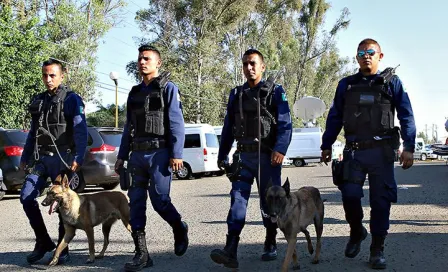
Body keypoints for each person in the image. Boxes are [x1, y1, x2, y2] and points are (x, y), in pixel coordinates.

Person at [321, 38, 416, 269]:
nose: (366, 55)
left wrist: (409, 146)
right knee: (350, 196)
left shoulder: (392, 83)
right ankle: (356, 231)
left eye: (371, 52)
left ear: (380, 56)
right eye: (361, 52)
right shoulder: (346, 85)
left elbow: (406, 115)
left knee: (381, 202)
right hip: (354, 152)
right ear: (356, 57)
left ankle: (377, 248)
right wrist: (326, 144)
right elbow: (335, 116)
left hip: (381, 153)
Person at [210, 49, 292, 269]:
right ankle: (231, 249)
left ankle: (270, 240)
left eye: (253, 63)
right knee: (237, 200)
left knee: (270, 202)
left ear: (262, 67)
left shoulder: (275, 92)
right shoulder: (236, 94)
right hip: (243, 156)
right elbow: (228, 127)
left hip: (268, 157)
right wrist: (222, 154)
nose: (249, 68)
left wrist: (280, 148)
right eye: (245, 64)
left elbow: (285, 124)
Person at [115, 44, 188, 272]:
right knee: (135, 203)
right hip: (137, 154)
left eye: (147, 58)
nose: (142, 62)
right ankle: (142, 254)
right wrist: (121, 156)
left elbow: (176, 123)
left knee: (160, 200)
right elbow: (128, 127)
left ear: (158, 63)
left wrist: (176, 154)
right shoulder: (134, 93)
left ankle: (178, 226)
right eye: (140, 59)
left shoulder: (168, 88)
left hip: (160, 153)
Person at [20, 59, 88, 264]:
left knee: (61, 203)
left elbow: (81, 131)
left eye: (52, 75)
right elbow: (33, 133)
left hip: (64, 160)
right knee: (26, 197)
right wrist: (25, 158)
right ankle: (42, 241)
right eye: (45, 75)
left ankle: (62, 247)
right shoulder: (38, 101)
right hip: (42, 160)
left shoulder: (72, 99)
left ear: (62, 75)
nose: (48, 79)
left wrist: (78, 158)